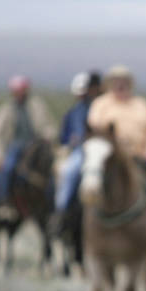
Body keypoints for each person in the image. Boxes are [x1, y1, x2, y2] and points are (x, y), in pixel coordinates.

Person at [86, 65, 146, 211]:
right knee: (73, 173)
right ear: (110, 84)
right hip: (106, 158)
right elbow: (95, 131)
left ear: (130, 84)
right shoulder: (101, 104)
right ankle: (67, 216)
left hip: (138, 156)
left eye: (123, 81)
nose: (120, 84)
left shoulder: (141, 104)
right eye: (115, 81)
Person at [0, 75, 54, 209]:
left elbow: (48, 125)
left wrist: (48, 135)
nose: (20, 93)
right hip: (15, 145)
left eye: (23, 90)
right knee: (8, 167)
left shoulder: (37, 106)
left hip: (36, 145)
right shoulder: (6, 110)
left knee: (52, 169)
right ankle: (3, 200)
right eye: (17, 91)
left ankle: (52, 203)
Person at [53, 70, 102, 228]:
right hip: (81, 151)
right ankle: (61, 211)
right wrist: (72, 141)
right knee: (69, 173)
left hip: (100, 150)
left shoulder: (102, 107)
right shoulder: (74, 112)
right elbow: (64, 137)